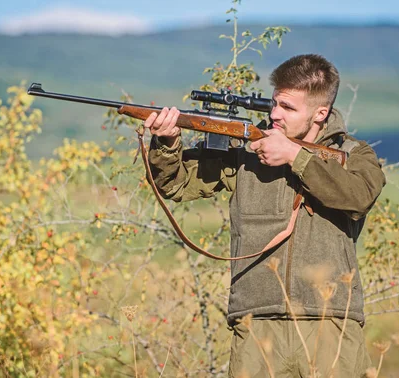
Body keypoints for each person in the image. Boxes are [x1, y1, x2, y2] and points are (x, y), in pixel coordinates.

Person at [144, 54, 386, 378]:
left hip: (329, 325)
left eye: (288, 108)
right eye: (274, 104)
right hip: (255, 326)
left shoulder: (355, 155)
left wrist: (295, 157)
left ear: (321, 113)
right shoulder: (246, 150)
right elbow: (175, 184)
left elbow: (359, 197)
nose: (274, 115)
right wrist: (167, 141)